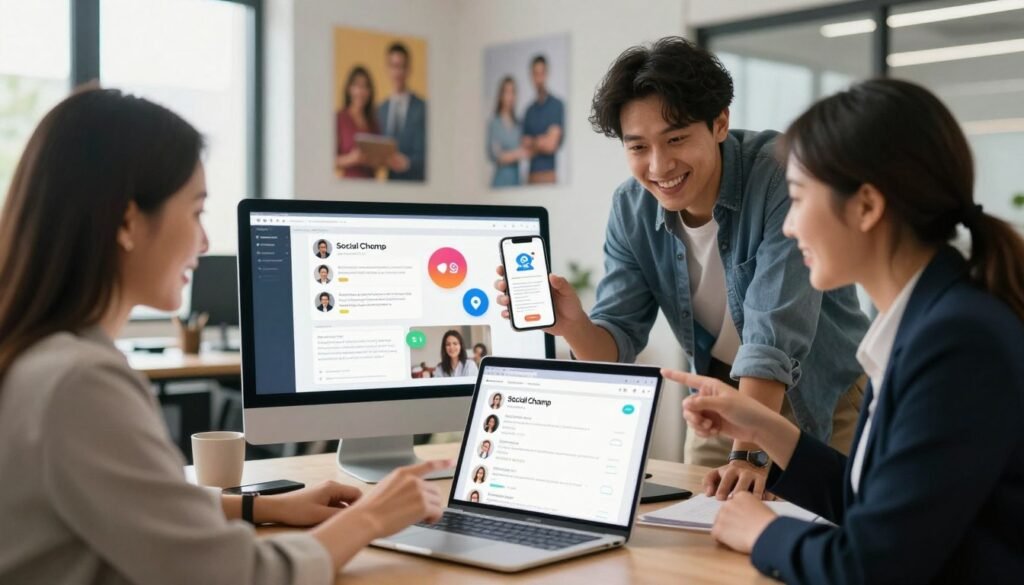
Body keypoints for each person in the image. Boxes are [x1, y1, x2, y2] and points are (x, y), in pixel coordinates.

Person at [0, 88, 450, 584]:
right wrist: (371, 517)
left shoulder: (40, 360)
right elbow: (238, 576)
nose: (205, 241)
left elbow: (140, 508)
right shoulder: (79, 384)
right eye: (196, 212)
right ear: (127, 222)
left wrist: (260, 506)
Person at [671, 79, 1024, 584]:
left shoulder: (958, 341)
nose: (789, 226)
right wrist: (762, 426)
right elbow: (873, 502)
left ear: (866, 206)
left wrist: (763, 532)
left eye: (798, 199)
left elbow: (874, 565)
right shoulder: (923, 320)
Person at [495, 37, 869, 499]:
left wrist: (749, 454)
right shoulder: (631, 208)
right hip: (719, 399)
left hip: (823, 395)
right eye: (638, 146)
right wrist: (572, 325)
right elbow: (615, 345)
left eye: (675, 139)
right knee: (699, 531)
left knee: (826, 534)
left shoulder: (778, 174)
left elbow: (774, 332)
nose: (659, 166)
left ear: (720, 123)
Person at [377, 42, 426, 181]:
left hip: (416, 183)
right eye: (394, 66)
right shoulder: (381, 110)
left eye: (402, 66)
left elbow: (432, 153)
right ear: (387, 69)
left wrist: (408, 163)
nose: (398, 72)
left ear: (409, 69)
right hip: (390, 184)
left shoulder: (422, 107)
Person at [521, 55, 565, 184]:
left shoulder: (556, 105)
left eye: (541, 73)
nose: (539, 79)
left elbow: (551, 144)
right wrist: (542, 140)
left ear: (546, 74)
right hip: (531, 177)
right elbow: (524, 145)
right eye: (535, 74)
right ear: (531, 76)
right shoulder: (528, 111)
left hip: (549, 175)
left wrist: (533, 142)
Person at [335, 65, 380, 179]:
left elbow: (378, 164)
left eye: (365, 87)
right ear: (349, 89)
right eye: (357, 86)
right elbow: (329, 161)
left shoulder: (373, 122)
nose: (361, 92)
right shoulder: (339, 118)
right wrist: (352, 158)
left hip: (371, 184)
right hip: (349, 183)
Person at [487, 76, 527, 187]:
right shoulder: (495, 124)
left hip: (517, 182)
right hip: (501, 183)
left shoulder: (519, 125)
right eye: (507, 92)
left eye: (513, 92)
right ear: (501, 95)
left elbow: (526, 149)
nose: (510, 96)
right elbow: (496, 155)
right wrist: (517, 154)